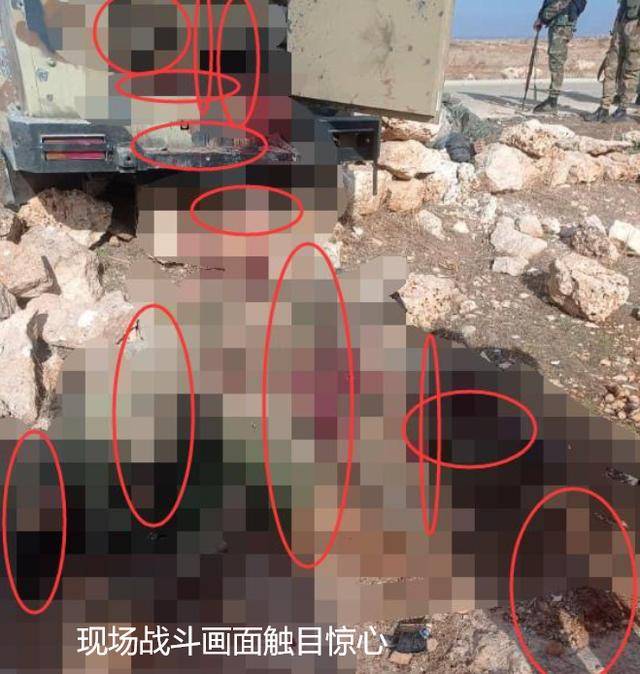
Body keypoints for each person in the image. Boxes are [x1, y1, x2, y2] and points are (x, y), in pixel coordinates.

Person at [585, 0, 640, 122]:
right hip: (622, 19)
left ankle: (622, 109)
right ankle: (604, 108)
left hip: (635, 23)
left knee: (631, 68)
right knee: (611, 66)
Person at [533, 0, 588, 114]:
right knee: (555, 61)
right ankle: (552, 99)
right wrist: (541, 18)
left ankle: (552, 101)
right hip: (558, 25)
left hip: (561, 26)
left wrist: (542, 18)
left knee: (556, 62)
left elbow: (561, 3)